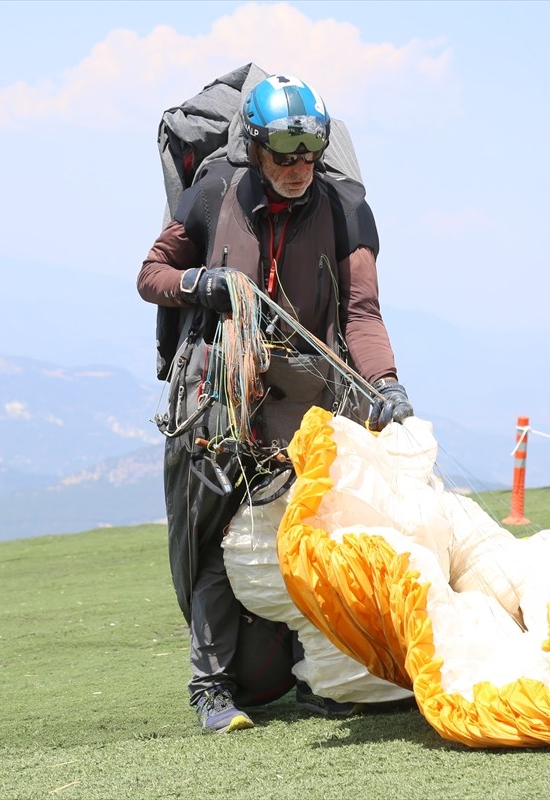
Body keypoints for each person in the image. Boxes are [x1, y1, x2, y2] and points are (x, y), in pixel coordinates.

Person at [137, 74, 414, 733]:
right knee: (213, 534)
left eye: (308, 153)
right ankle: (211, 688)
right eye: (283, 154)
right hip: (216, 395)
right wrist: (203, 283)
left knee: (312, 535)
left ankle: (320, 677)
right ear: (256, 150)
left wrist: (389, 385)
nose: (297, 168)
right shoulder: (213, 194)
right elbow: (151, 276)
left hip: (306, 396)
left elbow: (363, 313)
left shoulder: (347, 210)